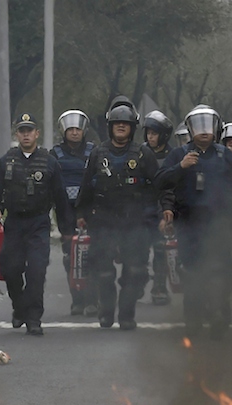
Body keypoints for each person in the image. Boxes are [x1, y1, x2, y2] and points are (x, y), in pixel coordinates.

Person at [75, 96, 162, 330]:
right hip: (104, 219)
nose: (121, 127)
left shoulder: (144, 154)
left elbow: (158, 187)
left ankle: (126, 314)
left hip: (134, 221)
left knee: (135, 271)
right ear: (110, 127)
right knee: (103, 272)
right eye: (116, 124)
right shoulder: (97, 154)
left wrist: (160, 214)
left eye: (125, 124)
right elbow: (86, 187)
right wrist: (81, 213)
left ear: (132, 128)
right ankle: (106, 311)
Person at [0, 113, 72, 335]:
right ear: (17, 134)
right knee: (10, 269)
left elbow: (60, 198)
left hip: (38, 224)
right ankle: (19, 307)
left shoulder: (49, 162)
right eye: (22, 131)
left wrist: (66, 229)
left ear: (37, 134)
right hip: (14, 223)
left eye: (29, 131)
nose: (26, 135)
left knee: (36, 270)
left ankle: (34, 318)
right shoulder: (6, 161)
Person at [156, 104, 232, 339]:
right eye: (198, 125)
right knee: (192, 273)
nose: (204, 131)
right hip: (189, 223)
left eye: (208, 125)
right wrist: (180, 168)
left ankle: (220, 318)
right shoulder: (179, 154)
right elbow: (161, 182)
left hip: (219, 223)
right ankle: (193, 320)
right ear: (190, 129)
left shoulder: (226, 156)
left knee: (219, 271)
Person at [50, 109, 97, 315]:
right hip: (66, 212)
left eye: (78, 129)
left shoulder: (95, 152)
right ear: (64, 131)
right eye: (71, 129)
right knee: (71, 257)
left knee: (93, 256)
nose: (75, 133)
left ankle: (92, 300)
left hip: (91, 211)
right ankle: (77, 299)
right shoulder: (54, 155)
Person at [141, 109, 176, 306]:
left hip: (162, 210)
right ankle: (136, 283)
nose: (150, 137)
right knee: (137, 251)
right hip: (142, 210)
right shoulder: (139, 153)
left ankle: (160, 287)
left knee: (161, 249)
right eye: (148, 133)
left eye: (154, 133)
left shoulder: (173, 156)